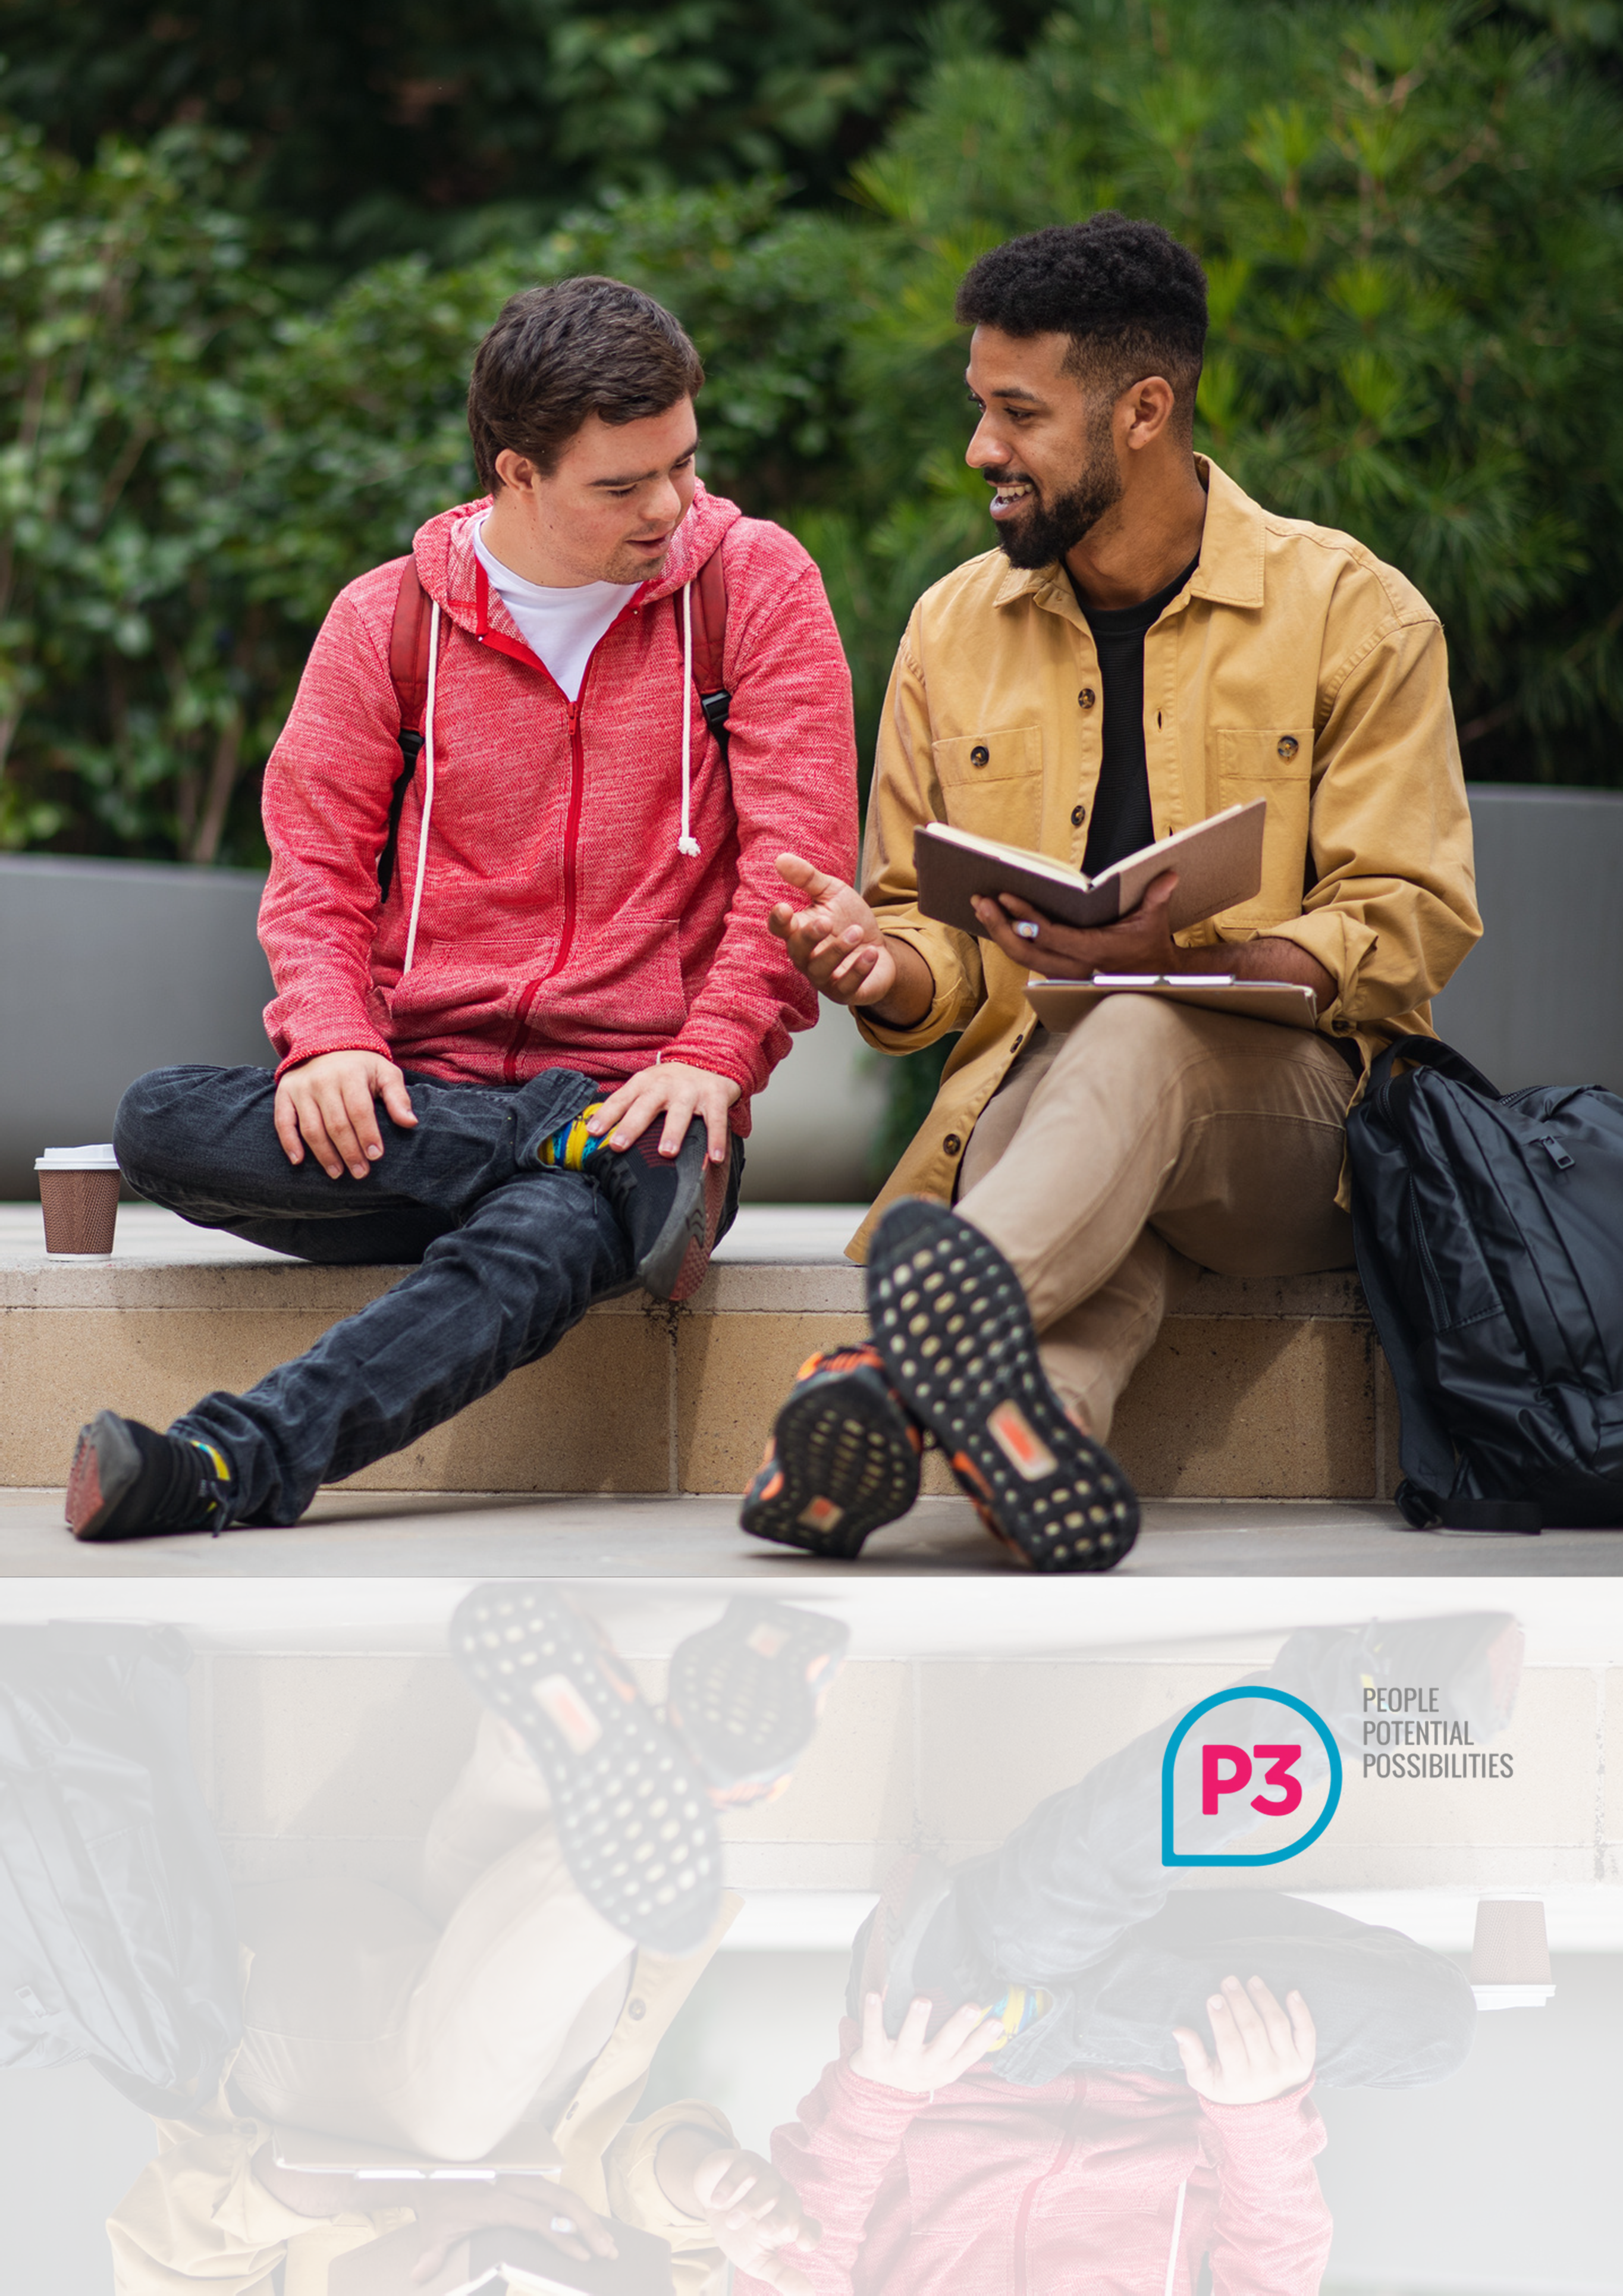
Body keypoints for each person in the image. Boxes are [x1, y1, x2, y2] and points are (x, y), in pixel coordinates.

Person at [64, 274, 857, 1541]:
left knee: (543, 1236)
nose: (669, 507)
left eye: (683, 465)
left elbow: (796, 867)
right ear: (515, 473)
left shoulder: (747, 586)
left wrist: (712, 1057)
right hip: (427, 1101)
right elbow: (314, 871)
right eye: (621, 486)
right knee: (160, 1120)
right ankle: (562, 1138)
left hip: (660, 1106)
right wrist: (329, 1034)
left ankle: (221, 1468)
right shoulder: (386, 621)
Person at [745, 211, 1480, 1572]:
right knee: (1094, 1137)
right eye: (977, 406)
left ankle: (887, 1373)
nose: (980, 450)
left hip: (1297, 1131)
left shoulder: (1352, 614)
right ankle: (1030, 1437)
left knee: (1129, 1027)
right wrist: (878, 964)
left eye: (1016, 414)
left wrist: (1191, 950)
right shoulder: (950, 627)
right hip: (1053, 1110)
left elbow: (1408, 915)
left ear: (1140, 410)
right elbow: (927, 931)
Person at [734, 1613, 1511, 2294]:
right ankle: (1059, 2021)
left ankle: (1366, 1685)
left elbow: (791, 2263)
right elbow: (1273, 2272)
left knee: (1050, 1913)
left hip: (960, 2035)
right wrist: (1256, 2116)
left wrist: (878, 2091)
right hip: (1168, 2045)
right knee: (1435, 2032)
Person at [104, 1589, 837, 2295]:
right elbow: (647, 2209)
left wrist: (422, 2192)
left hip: (285, 2049)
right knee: (555, 2035)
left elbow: (167, 2254)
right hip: (525, 2056)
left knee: (454, 2125)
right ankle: (546, 1736)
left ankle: (670, 1788)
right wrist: (709, 2188)